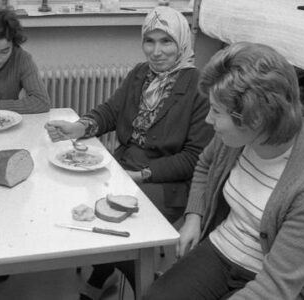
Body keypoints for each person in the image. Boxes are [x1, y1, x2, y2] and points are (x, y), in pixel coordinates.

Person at [145, 42, 304, 299]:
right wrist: (194, 216)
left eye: (216, 112)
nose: (209, 120)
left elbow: (276, 286)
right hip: (223, 249)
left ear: (255, 119)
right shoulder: (232, 139)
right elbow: (204, 165)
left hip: (276, 280)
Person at [44, 6, 213, 300]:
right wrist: (81, 126)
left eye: (166, 41)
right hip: (124, 168)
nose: (156, 51)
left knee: (112, 216)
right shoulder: (139, 74)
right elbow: (111, 110)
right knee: (77, 199)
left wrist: (143, 175)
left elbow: (193, 159)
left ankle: (139, 279)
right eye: (150, 40)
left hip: (167, 182)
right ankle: (109, 271)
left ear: (182, 42)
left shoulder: (199, 87)